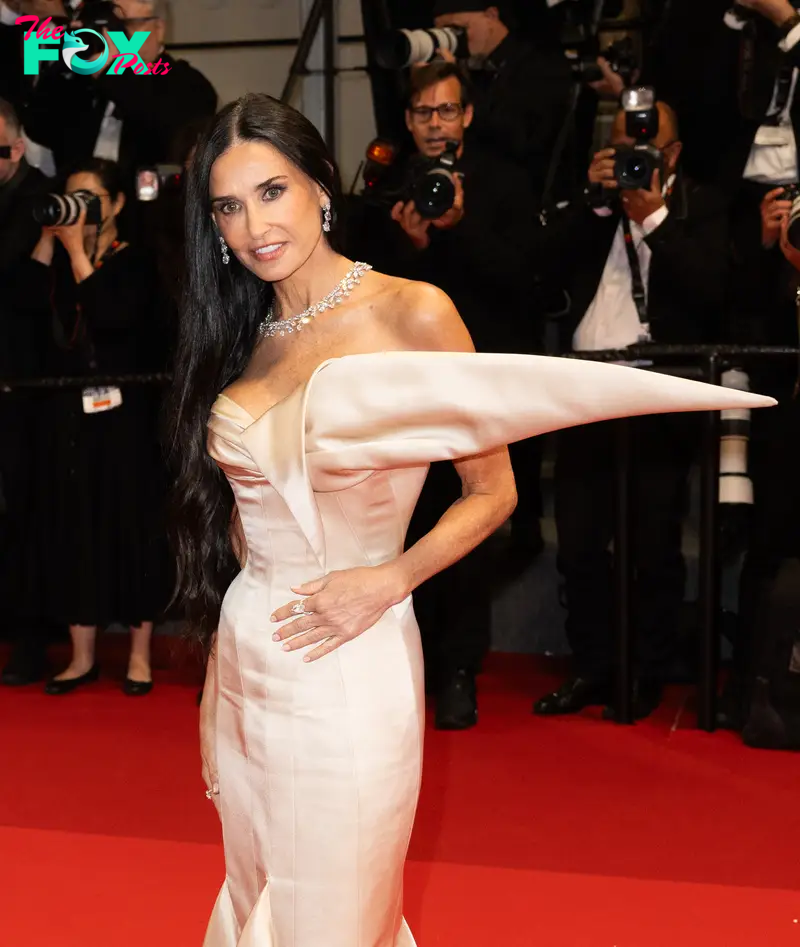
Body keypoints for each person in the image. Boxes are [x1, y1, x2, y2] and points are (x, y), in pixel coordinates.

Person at [168, 92, 772, 947]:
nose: (253, 224)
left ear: (320, 188)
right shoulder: (243, 335)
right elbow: (242, 530)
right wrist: (211, 688)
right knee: (255, 888)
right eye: (228, 206)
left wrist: (389, 578)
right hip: (248, 658)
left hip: (352, 654)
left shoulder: (411, 312)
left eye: (272, 191)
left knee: (336, 914)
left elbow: (494, 491)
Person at [358, 61, 545, 728]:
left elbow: (525, 280)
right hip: (404, 385)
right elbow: (369, 292)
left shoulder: (505, 180)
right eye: (423, 113)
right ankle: (413, 662)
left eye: (446, 111)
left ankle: (459, 667)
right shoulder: (386, 185)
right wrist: (411, 246)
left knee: (473, 523)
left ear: (467, 115)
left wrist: (459, 229)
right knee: (408, 523)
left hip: (479, 380)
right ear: (407, 121)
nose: (435, 124)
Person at [533, 100, 732, 721]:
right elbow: (541, 275)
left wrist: (656, 221)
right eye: (620, 147)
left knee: (653, 544)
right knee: (580, 544)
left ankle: (646, 669)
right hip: (587, 391)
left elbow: (715, 290)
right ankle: (593, 665)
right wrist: (595, 204)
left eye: (644, 148)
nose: (631, 159)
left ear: (672, 155)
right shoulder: (593, 209)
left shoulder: (703, 205)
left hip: (661, 391)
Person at [9, 157, 170, 695]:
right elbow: (22, 307)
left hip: (128, 418)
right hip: (66, 416)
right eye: (71, 198)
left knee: (131, 530)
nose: (79, 210)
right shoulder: (57, 258)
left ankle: (139, 656)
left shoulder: (136, 261)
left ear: (119, 203)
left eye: (90, 200)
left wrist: (79, 251)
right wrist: (52, 242)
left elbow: (112, 315)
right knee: (72, 528)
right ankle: (81, 656)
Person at [22, 0, 217, 205]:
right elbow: (37, 127)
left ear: (159, 29)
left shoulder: (188, 84)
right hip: (78, 216)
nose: (114, 37)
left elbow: (163, 127)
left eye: (124, 25)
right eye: (105, 26)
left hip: (150, 223)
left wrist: (111, 69)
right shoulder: (83, 81)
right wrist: (67, 52)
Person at [0, 95, 52, 686]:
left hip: (27, 386)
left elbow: (19, 287)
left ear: (15, 147)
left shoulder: (41, 198)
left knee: (27, 517)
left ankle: (33, 637)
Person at [431, 1, 572, 196]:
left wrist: (459, 84)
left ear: (491, 15)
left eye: (458, 30)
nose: (456, 41)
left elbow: (520, 137)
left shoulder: (537, 65)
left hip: (529, 190)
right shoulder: (480, 70)